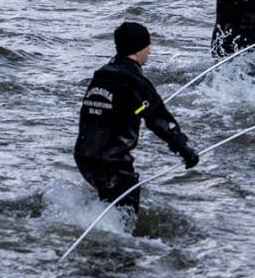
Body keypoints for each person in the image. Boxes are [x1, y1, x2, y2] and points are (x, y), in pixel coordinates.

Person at [74, 21, 199, 212]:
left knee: (105, 201)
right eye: (148, 44)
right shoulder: (134, 82)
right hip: (112, 162)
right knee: (126, 212)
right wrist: (183, 148)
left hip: (84, 156)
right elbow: (157, 119)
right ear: (137, 48)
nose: (150, 50)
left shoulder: (101, 75)